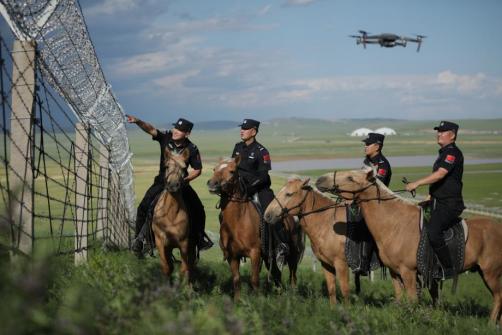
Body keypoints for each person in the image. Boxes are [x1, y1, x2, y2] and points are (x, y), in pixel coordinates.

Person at [127, 115, 213, 257]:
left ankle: (200, 239)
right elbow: (151, 129)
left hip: (181, 184)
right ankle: (140, 240)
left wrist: (185, 180)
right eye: (175, 127)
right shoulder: (166, 138)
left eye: (180, 130)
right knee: (144, 206)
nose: (175, 131)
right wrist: (138, 122)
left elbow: (197, 170)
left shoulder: (192, 148)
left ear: (187, 133)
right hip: (161, 182)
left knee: (199, 208)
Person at [406, 121, 464, 279]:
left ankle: (448, 268)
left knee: (433, 231)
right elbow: (442, 182)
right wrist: (430, 196)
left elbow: (440, 175)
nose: (439, 134)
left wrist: (417, 183)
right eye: (438, 131)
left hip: (450, 205)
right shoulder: (443, 152)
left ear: (452, 135)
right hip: (438, 201)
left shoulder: (452, 153)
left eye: (443, 131)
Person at [231, 119, 289, 266]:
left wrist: (250, 188)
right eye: (241, 128)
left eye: (245, 128)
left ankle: (281, 244)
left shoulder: (262, 151)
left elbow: (263, 176)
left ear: (254, 132)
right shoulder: (237, 147)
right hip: (240, 189)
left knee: (271, 214)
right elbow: (233, 169)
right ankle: (228, 243)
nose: (242, 131)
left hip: (259, 189)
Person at [351, 132, 392, 275]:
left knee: (366, 227)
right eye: (365, 144)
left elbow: (373, 186)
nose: (365, 146)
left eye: (368, 144)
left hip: (378, 205)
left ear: (377, 146)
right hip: (364, 202)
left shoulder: (382, 164)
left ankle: (364, 263)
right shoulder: (367, 162)